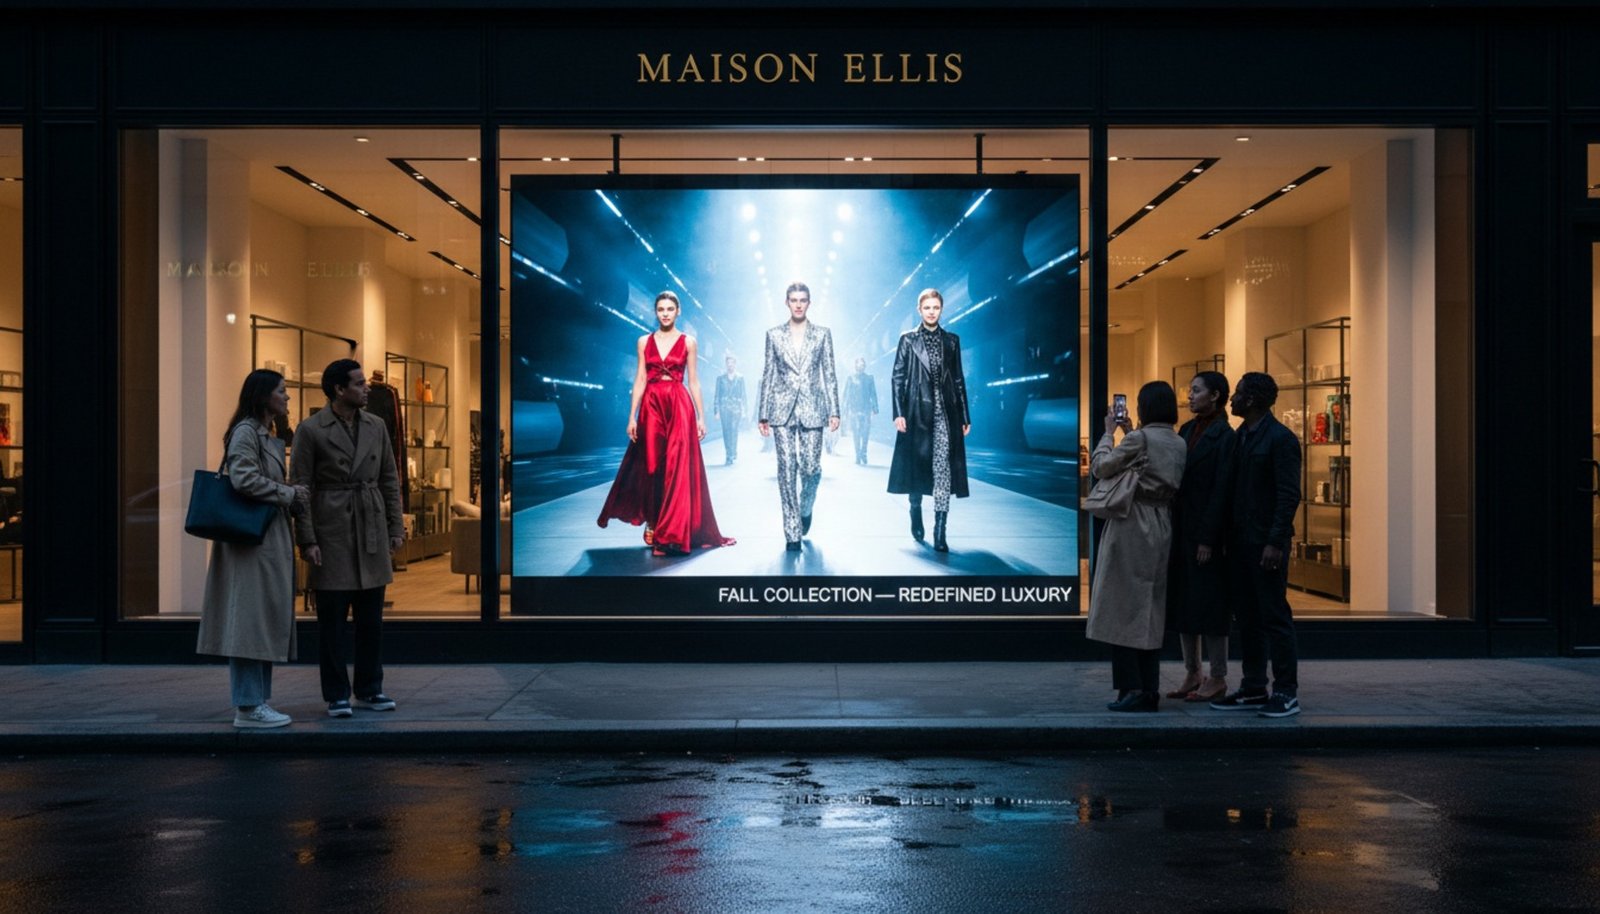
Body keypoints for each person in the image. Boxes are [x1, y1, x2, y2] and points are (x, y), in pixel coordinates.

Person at [291, 359, 405, 719]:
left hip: (369, 524)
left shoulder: (376, 425)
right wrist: (307, 539)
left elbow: (389, 477)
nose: (366, 388)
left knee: (371, 619)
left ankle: (370, 688)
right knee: (332, 623)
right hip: (333, 527)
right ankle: (336, 693)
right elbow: (301, 488)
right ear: (339, 390)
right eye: (358, 383)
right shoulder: (310, 430)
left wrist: (395, 526)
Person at [196, 369, 309, 729]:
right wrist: (288, 494)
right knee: (249, 622)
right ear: (263, 396)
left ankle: (255, 702)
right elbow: (243, 478)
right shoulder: (247, 432)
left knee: (259, 620)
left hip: (261, 538)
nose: (287, 397)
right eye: (282, 390)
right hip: (250, 542)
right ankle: (248, 705)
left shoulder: (262, 432)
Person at [598, 290, 736, 556]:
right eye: (660, 309)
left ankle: (668, 532)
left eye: (669, 309)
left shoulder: (688, 342)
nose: (665, 313)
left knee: (675, 466)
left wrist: (701, 416)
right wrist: (631, 416)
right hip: (651, 405)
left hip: (679, 405)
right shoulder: (643, 341)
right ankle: (652, 520)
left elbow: (693, 381)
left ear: (678, 311)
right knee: (652, 466)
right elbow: (639, 379)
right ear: (655, 312)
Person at [1085, 381, 1187, 712]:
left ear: (1144, 407)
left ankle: (1131, 687)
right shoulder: (1178, 441)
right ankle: (1149, 687)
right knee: (1149, 607)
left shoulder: (1137, 439)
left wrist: (1107, 433)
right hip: (1161, 523)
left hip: (1132, 522)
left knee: (1121, 606)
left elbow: (1101, 467)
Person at [1209, 371, 1304, 718]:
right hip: (1240, 542)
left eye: (1237, 394)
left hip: (1265, 542)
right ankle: (1253, 687)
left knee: (1274, 616)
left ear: (1250, 400)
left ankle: (1286, 691)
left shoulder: (1280, 440)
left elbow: (1288, 494)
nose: (1231, 399)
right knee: (1248, 617)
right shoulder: (1241, 438)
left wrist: (1275, 541)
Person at [1166, 371, 1237, 703]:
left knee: (1210, 606)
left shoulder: (1225, 437)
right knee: (1184, 604)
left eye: (1196, 390)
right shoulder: (1187, 429)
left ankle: (1218, 676)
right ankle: (1193, 671)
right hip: (1181, 529)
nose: (1190, 396)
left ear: (1216, 395)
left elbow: (1222, 492)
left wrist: (1209, 538)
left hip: (1207, 534)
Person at [758, 281, 841, 551]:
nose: (797, 304)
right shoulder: (773, 335)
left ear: (809, 303)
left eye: (802, 300)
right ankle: (792, 531)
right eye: (793, 299)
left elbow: (829, 374)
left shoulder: (822, 334)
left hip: (813, 408)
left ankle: (806, 507)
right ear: (786, 302)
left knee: (811, 468)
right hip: (781, 410)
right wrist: (763, 413)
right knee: (786, 469)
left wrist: (834, 410)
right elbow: (768, 374)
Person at [887, 288, 971, 553]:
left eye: (936, 307)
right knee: (917, 467)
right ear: (919, 310)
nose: (932, 311)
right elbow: (897, 378)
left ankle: (940, 531)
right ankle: (915, 509)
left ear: (941, 309)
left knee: (943, 471)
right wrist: (898, 412)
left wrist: (965, 415)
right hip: (915, 413)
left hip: (946, 414)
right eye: (927, 308)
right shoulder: (908, 340)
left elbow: (958, 379)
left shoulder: (952, 341)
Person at [843, 356, 879, 466]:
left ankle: (863, 452)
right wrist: (845, 409)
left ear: (864, 366)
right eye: (859, 364)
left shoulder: (869, 378)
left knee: (865, 432)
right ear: (855, 366)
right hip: (854, 409)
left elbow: (873, 393)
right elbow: (846, 395)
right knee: (856, 433)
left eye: (862, 365)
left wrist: (875, 408)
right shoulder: (850, 378)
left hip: (866, 409)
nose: (861, 366)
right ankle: (858, 454)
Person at [713, 355, 746, 465]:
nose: (730, 365)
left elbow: (743, 395)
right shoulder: (720, 379)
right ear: (726, 364)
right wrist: (716, 411)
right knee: (726, 431)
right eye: (728, 363)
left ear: (735, 364)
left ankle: (732, 453)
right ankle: (729, 453)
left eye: (732, 363)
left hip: (736, 408)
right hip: (724, 408)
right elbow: (717, 395)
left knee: (734, 430)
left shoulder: (740, 378)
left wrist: (744, 410)